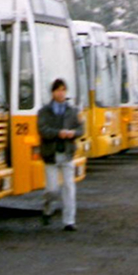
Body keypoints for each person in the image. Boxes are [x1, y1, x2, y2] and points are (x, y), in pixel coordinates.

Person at [37, 78, 85, 231]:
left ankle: (69, 221)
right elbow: (42, 130)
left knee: (69, 188)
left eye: (63, 90)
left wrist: (73, 133)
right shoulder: (43, 111)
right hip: (50, 154)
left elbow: (81, 129)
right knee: (52, 189)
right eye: (58, 90)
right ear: (53, 92)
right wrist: (59, 133)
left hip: (67, 153)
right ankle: (47, 207)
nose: (61, 93)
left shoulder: (73, 111)